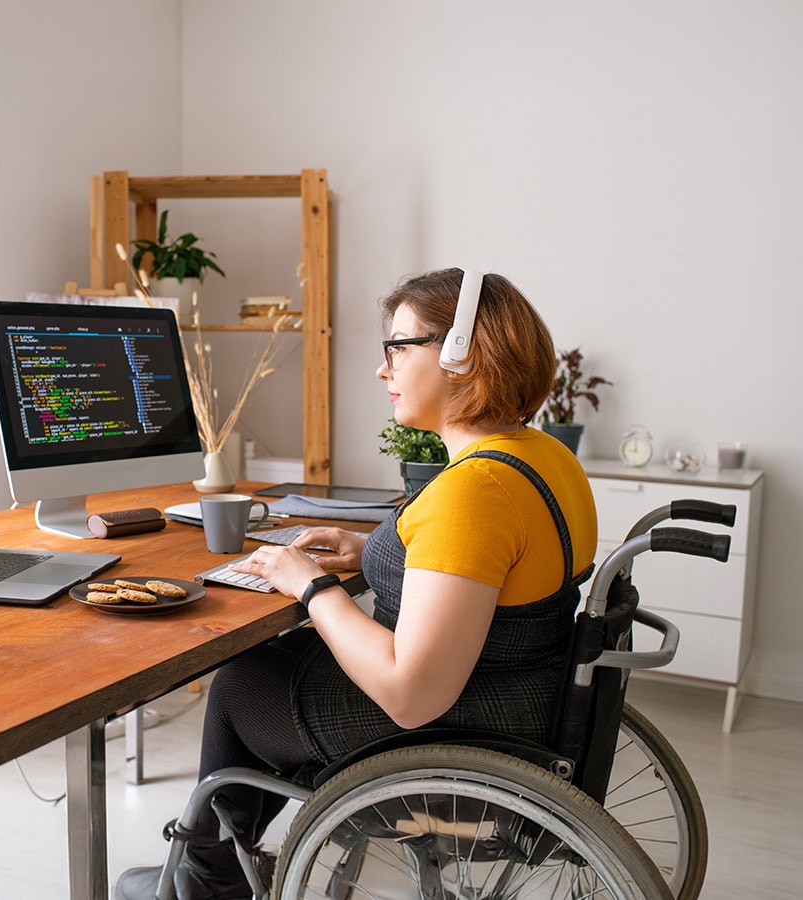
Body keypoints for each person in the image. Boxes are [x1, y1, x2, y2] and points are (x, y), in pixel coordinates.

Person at [115, 268, 598, 900]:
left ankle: (207, 879)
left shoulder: (475, 491)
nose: (383, 369)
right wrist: (367, 549)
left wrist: (312, 586)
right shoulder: (541, 455)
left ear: (462, 355)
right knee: (274, 662)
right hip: (519, 700)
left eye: (398, 347)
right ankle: (212, 869)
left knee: (240, 682)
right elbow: (486, 571)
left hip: (460, 729)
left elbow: (410, 693)